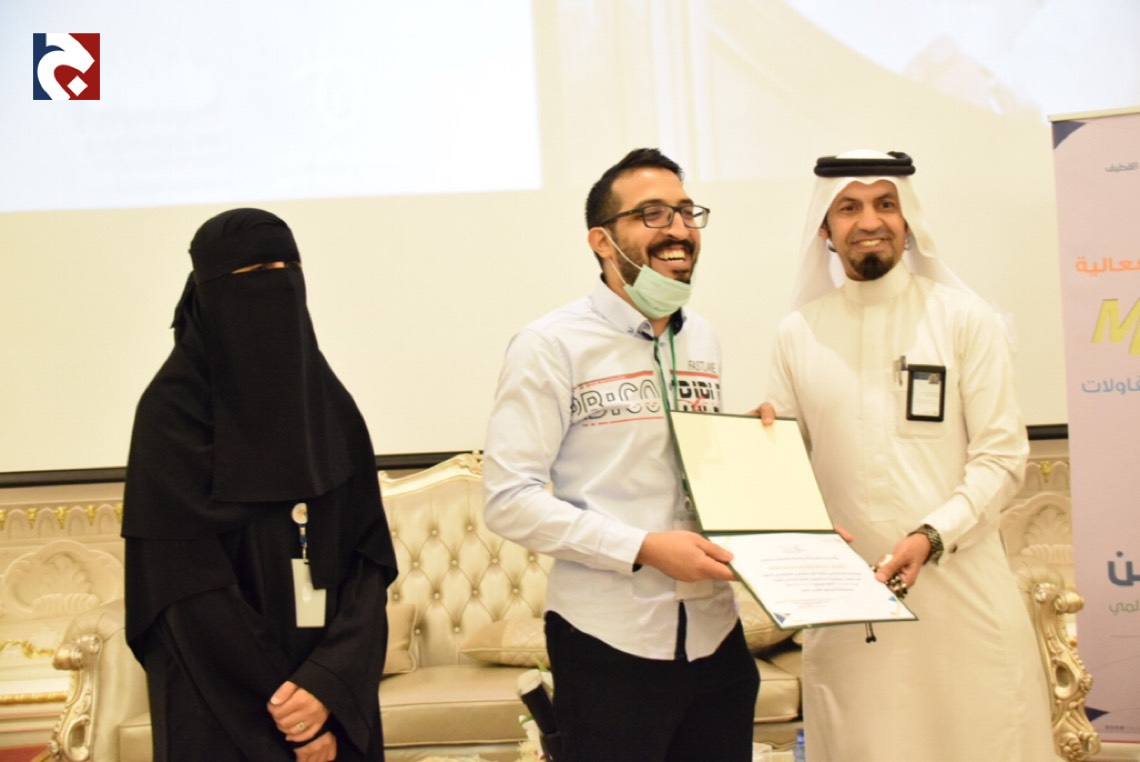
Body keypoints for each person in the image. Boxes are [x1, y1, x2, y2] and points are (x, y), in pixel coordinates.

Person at [757, 150, 1056, 761]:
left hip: (962, 599)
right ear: (825, 229)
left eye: (885, 204)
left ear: (908, 219)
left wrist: (931, 536)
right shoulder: (798, 334)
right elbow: (785, 465)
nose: (870, 221)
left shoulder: (966, 321)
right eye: (849, 207)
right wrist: (752, 451)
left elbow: (1001, 459)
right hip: (851, 612)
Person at [483, 148, 759, 762]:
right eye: (652, 214)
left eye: (686, 212)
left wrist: (761, 457)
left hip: (717, 638)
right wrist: (642, 548)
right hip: (609, 643)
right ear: (602, 241)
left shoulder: (703, 337)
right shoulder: (550, 344)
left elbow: (695, 472)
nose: (678, 229)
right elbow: (508, 501)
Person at [122, 209, 398, 762]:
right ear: (208, 292)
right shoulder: (171, 418)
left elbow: (368, 564)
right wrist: (293, 718)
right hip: (220, 702)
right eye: (253, 274)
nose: (276, 287)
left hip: (335, 702)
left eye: (286, 268)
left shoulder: (331, 413)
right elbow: (184, 593)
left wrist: (328, 684)